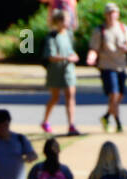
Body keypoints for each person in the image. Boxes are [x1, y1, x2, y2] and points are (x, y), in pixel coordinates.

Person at [85, 2, 127, 133]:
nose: (112, 15)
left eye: (114, 12)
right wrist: (91, 57)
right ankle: (118, 123)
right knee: (114, 94)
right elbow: (94, 49)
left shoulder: (123, 28)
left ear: (117, 14)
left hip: (121, 66)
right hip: (106, 66)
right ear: (106, 15)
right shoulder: (100, 31)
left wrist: (126, 48)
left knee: (119, 96)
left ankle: (106, 116)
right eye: (109, 13)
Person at [40, 8, 80, 136]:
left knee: (70, 97)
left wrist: (74, 56)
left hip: (68, 70)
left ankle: (71, 125)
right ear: (59, 21)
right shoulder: (51, 37)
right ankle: (45, 121)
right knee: (55, 97)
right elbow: (50, 56)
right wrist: (67, 58)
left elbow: (70, 50)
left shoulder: (69, 34)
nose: (69, 22)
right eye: (67, 20)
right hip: (55, 71)